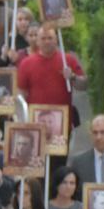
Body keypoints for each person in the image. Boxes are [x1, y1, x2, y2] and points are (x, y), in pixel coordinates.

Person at [16, 23, 87, 155]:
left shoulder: (68, 60)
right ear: (37, 41)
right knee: (37, 166)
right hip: (36, 124)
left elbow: (84, 85)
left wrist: (72, 77)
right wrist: (22, 121)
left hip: (62, 124)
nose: (47, 41)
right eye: (43, 38)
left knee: (59, 165)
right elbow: (21, 94)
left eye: (50, 38)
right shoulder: (26, 63)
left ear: (56, 40)